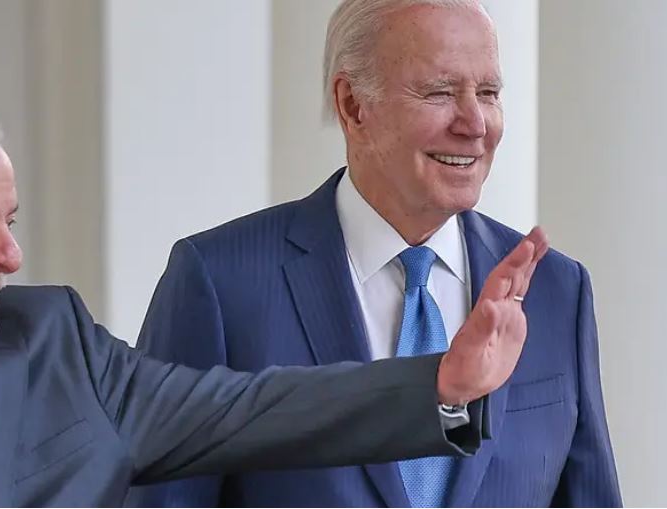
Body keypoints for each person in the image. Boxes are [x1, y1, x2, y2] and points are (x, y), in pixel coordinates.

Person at [0, 90, 543, 508]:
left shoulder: (51, 341)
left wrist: (440, 384)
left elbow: (251, 407)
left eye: (10, 220)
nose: (9, 254)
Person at [128, 0, 620, 507]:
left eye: (489, 93)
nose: (475, 124)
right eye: (440, 92)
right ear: (353, 105)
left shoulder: (557, 289)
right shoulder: (220, 284)